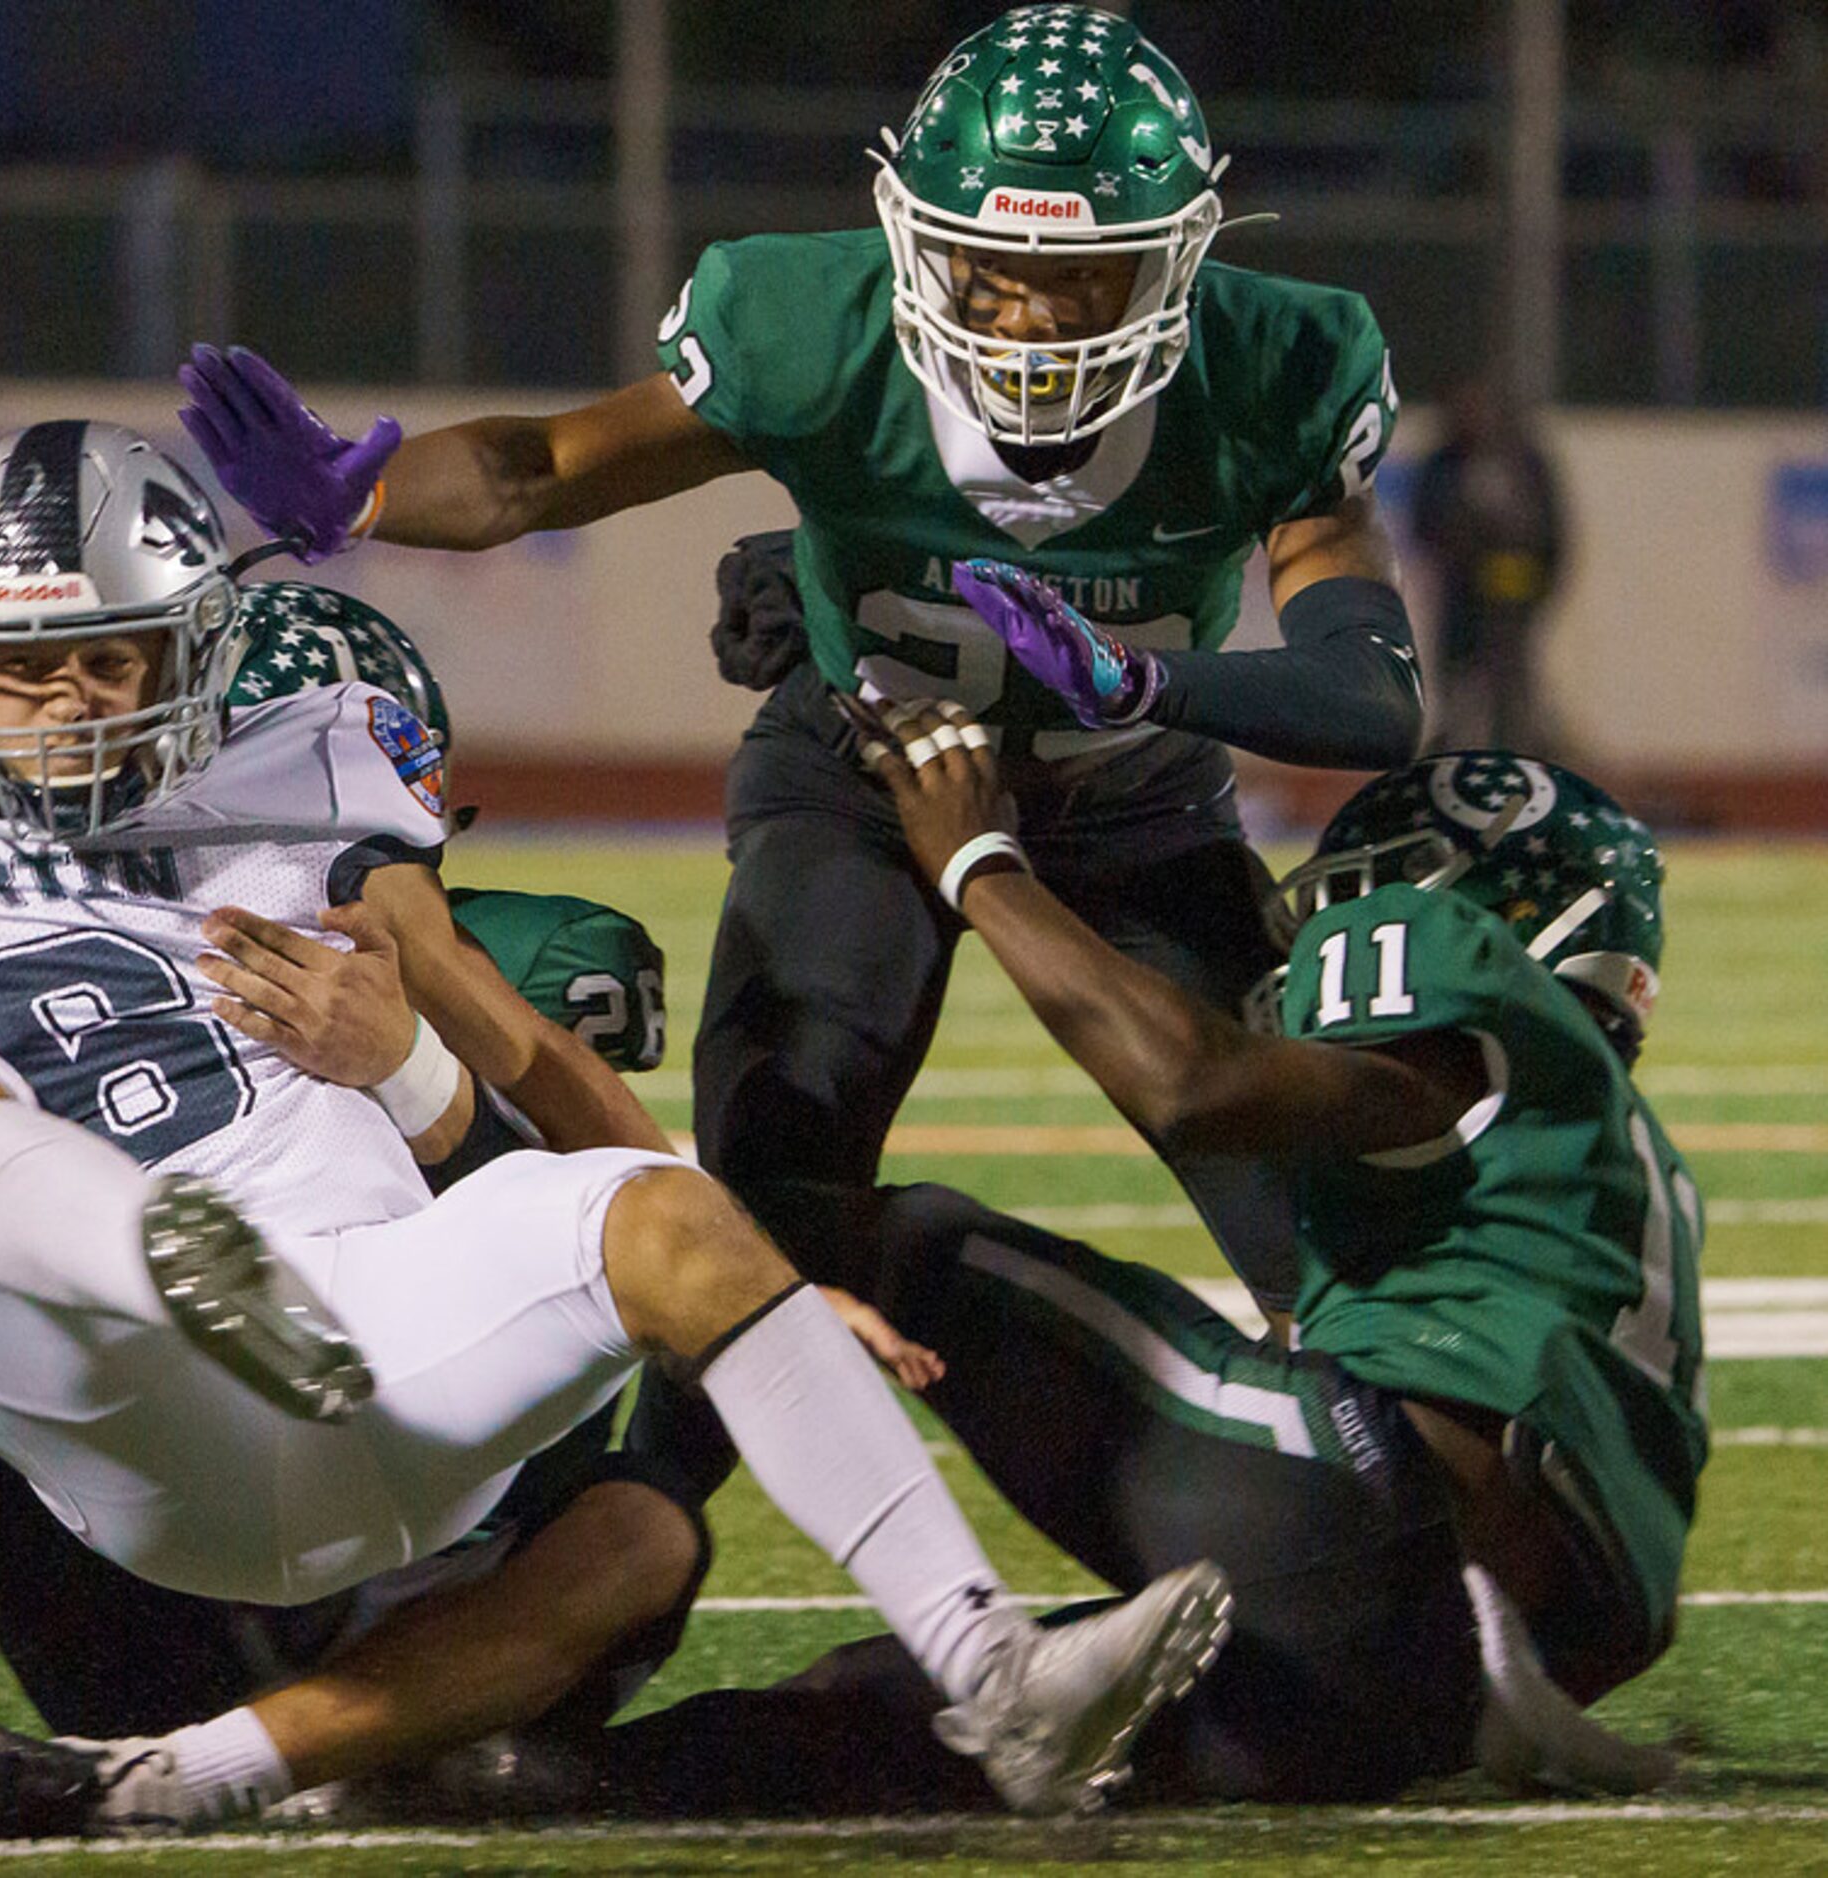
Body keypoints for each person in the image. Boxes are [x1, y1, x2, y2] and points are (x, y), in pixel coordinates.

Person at [0, 417, 1232, 1838]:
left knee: (656, 1226)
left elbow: (526, 1063)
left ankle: (996, 1669)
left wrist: (749, 1279)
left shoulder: (328, 774)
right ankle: (66, 1298)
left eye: (109, 660)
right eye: (15, 673)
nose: (65, 706)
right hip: (108, 1377)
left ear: (204, 652)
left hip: (371, 1329)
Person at [174, 3, 1424, 1326]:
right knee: (770, 1209)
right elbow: (540, 466)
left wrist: (1139, 684)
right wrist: (360, 497)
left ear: (1175, 262)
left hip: (1132, 795)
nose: (1026, 316)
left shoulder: (1276, 367)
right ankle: (624, 1513)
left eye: (1080, 276)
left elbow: (1369, 693)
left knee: (1330, 1242)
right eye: (984, 264)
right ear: (912, 243)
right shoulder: (813, 329)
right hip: (861, 774)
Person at [560, 720, 1702, 1812]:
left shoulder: (1465, 1016)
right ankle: (504, 1753)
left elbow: (1191, 1084)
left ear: (1502, 916)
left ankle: (578, 1577)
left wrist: (978, 861)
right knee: (874, 1711)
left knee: (868, 1238)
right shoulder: (1614, 1171)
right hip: (1423, 1694)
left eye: (1367, 893)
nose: (1324, 932)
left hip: (1364, 1511)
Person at [1410, 376, 1569, 755]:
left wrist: (1540, 587)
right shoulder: (1442, 463)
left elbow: (1551, 534)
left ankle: (1519, 752)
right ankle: (1452, 755)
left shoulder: (1524, 462)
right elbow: (1425, 526)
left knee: (1510, 682)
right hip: (1461, 595)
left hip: (1511, 596)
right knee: (1457, 682)